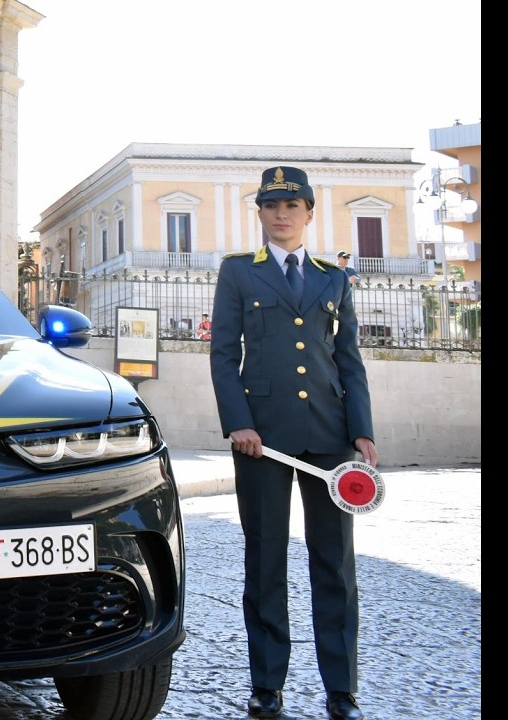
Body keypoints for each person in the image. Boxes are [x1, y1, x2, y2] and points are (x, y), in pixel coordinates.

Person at [209, 165, 378, 720]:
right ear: (260, 214)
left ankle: (342, 690)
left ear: (308, 213)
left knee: (335, 565)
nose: (282, 214)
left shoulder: (334, 277)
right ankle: (267, 685)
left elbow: (348, 361)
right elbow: (222, 355)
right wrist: (238, 423)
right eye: (271, 205)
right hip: (263, 439)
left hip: (330, 438)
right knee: (265, 560)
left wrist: (362, 431)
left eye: (293, 205)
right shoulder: (238, 273)